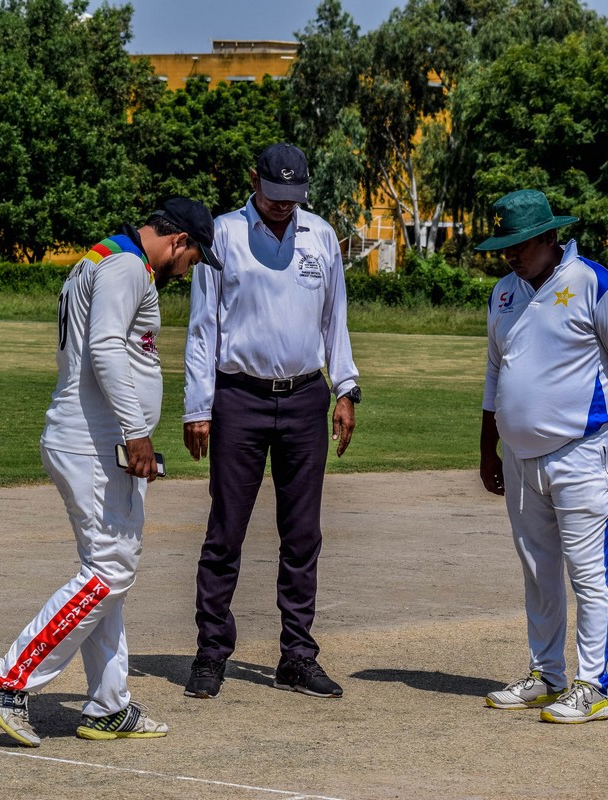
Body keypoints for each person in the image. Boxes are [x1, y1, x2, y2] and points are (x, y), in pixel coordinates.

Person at [0, 198, 220, 746]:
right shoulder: (128, 266)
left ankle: (108, 704)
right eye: (194, 257)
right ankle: (10, 677)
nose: (190, 270)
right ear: (178, 241)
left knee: (109, 573)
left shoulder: (103, 258)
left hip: (94, 441)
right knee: (109, 571)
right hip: (96, 444)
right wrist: (136, 431)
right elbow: (105, 348)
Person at [181, 143, 361, 700]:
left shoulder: (320, 235)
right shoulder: (223, 234)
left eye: (294, 195)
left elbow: (335, 319)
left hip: (305, 398)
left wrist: (345, 389)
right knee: (225, 532)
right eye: (275, 193)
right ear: (253, 181)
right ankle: (211, 652)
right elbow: (203, 327)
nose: (284, 204)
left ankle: (297, 656)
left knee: (303, 534)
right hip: (239, 398)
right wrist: (198, 407)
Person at [477, 189, 608, 724]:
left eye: (520, 245)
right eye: (504, 247)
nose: (510, 255)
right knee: (538, 571)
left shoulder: (594, 283)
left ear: (551, 237)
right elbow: (495, 370)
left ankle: (592, 685)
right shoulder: (503, 293)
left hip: (582, 452)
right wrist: (488, 447)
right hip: (519, 458)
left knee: (587, 571)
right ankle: (547, 675)